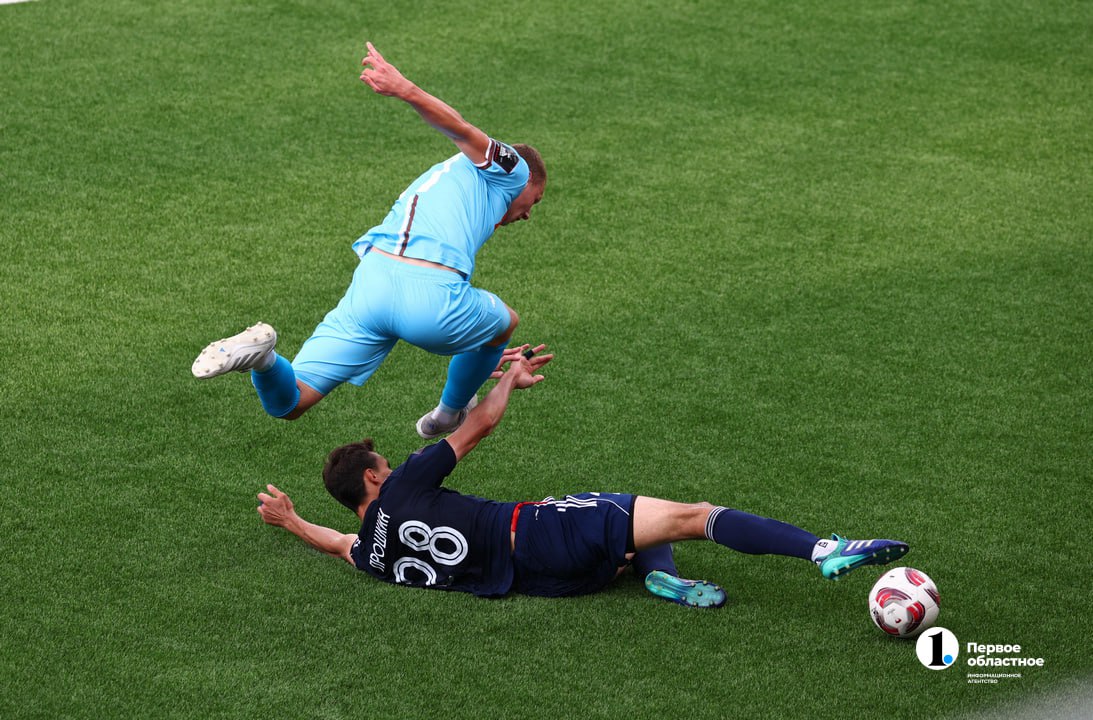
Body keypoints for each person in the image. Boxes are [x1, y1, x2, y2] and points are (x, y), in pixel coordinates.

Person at [256, 355, 910, 608]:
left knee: (627, 523)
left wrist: (290, 521)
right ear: (374, 476)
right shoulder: (406, 484)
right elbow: (477, 426)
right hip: (541, 535)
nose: (393, 467)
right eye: (385, 466)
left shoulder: (372, 553)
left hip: (548, 583)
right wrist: (509, 379)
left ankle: (655, 574)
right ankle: (822, 550)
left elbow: (336, 543)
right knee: (691, 514)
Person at [192, 42, 548, 439]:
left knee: (292, 402)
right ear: (527, 180)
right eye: (534, 201)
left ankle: (262, 359)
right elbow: (461, 128)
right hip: (429, 295)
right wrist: (405, 89)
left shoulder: (448, 180)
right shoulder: (512, 169)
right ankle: (450, 413)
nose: (528, 214)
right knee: (506, 324)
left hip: (372, 284)